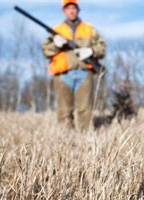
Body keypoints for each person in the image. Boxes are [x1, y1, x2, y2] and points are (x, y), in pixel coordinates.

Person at [42, 0, 106, 130]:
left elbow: (102, 47)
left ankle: (85, 143)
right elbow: (46, 51)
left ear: (78, 9)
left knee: (85, 111)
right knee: (64, 112)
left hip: (84, 74)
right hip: (62, 75)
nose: (71, 11)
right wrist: (55, 44)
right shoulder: (56, 31)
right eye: (68, 8)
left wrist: (91, 51)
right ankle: (66, 144)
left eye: (73, 8)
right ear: (64, 11)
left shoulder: (89, 29)